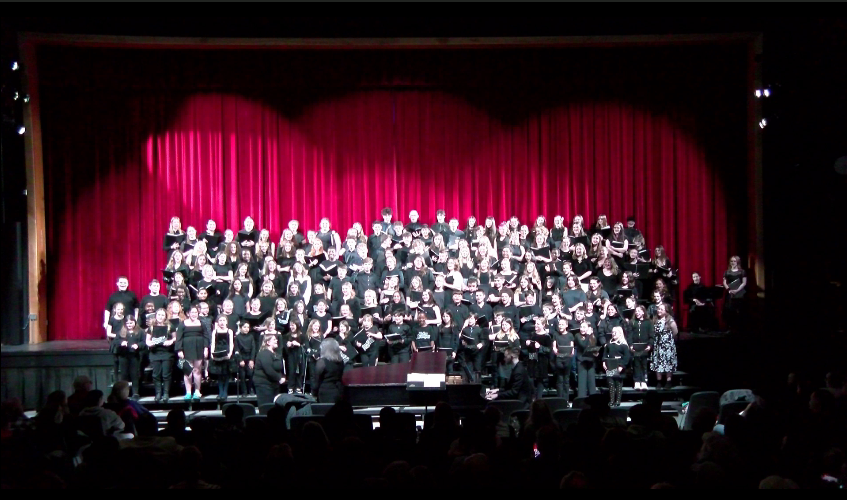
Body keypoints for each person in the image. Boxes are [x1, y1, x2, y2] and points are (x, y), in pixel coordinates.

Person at [176, 306, 210, 400]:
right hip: (186, 349)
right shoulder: (182, 324)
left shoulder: (202, 323)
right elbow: (178, 338)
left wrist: (206, 348)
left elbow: (206, 337)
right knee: (188, 372)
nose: (194, 314)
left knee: (197, 371)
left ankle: (197, 391)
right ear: (188, 313)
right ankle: (188, 392)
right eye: (192, 312)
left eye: (196, 312)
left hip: (199, 348)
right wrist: (179, 350)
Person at [146, 308, 176, 402]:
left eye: (162, 315)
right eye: (159, 315)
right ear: (156, 316)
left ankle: (166, 393)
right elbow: (147, 340)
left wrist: (171, 341)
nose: (160, 317)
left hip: (167, 353)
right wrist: (149, 343)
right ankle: (158, 393)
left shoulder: (170, 326)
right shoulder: (151, 327)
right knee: (156, 374)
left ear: (165, 316)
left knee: (166, 374)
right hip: (155, 353)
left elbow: (175, 338)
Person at [113, 315, 144, 399]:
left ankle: (135, 393)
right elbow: (115, 341)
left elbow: (144, 342)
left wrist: (138, 345)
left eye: (131, 323)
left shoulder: (140, 331)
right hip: (123, 356)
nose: (129, 325)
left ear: (135, 322)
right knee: (124, 375)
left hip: (134, 356)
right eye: (127, 323)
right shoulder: (121, 331)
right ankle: (124, 393)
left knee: (134, 375)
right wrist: (121, 343)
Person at [650, 303, 678, 389]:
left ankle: (668, 381)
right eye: (658, 309)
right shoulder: (655, 319)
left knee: (668, 363)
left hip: (668, 346)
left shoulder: (670, 320)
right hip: (658, 345)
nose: (659, 311)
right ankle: (659, 381)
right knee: (658, 363)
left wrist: (667, 341)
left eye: (661, 309)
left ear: (666, 311)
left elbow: (675, 332)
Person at [603, 326, 632, 407]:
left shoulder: (623, 345)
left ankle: (618, 401)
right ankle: (611, 400)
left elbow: (627, 357)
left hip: (619, 367)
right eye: (613, 332)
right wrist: (604, 362)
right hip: (610, 366)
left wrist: (621, 366)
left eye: (616, 332)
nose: (613, 334)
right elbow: (604, 355)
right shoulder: (609, 344)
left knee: (618, 384)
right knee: (611, 384)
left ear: (620, 333)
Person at [254, 334, 285, 407]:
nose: (276, 341)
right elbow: (268, 369)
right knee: (266, 407)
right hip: (264, 385)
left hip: (273, 385)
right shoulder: (264, 353)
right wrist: (279, 378)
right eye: (274, 339)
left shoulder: (274, 354)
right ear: (268, 342)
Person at [627, 305, 654, 390]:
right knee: (636, 364)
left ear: (643, 312)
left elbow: (651, 335)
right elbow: (629, 335)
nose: (637, 313)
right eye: (636, 311)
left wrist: (650, 345)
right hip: (635, 347)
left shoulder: (648, 322)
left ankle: (644, 381)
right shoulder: (632, 322)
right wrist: (630, 345)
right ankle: (637, 381)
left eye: (639, 311)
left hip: (645, 347)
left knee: (644, 364)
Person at [209, 315, 235, 402]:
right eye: (220, 320)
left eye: (224, 320)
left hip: (226, 352)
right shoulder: (215, 331)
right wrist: (212, 353)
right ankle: (220, 392)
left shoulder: (229, 331)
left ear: (227, 322)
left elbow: (231, 343)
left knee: (226, 374)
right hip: (218, 352)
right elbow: (213, 343)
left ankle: (225, 392)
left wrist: (230, 354)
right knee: (219, 374)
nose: (222, 322)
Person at [312, 337, 345, 404]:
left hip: (325, 392)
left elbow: (316, 380)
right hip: (339, 390)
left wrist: (314, 393)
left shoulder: (322, 362)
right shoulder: (341, 361)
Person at [574, 323, 600, 398]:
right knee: (582, 383)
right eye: (581, 327)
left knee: (592, 383)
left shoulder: (592, 337)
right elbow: (583, 346)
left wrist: (596, 352)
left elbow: (592, 347)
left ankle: (593, 401)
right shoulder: (577, 336)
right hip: (581, 361)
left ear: (588, 328)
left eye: (584, 327)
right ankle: (581, 401)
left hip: (590, 361)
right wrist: (588, 335)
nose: (582, 329)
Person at [552, 318, 575, 402]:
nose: (560, 326)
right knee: (560, 380)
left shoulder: (570, 335)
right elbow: (554, 347)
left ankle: (566, 400)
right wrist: (555, 351)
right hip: (559, 358)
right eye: (559, 324)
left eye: (562, 324)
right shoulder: (555, 334)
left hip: (567, 359)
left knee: (566, 380)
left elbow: (572, 347)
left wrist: (571, 352)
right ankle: (559, 400)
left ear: (566, 325)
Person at [722, 255, 747, 331]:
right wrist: (729, 289)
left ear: (738, 262)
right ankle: (730, 327)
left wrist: (737, 290)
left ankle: (739, 328)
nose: (733, 263)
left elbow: (744, 283)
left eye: (734, 261)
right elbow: (724, 282)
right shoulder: (727, 272)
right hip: (730, 293)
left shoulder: (742, 271)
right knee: (729, 310)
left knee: (738, 310)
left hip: (739, 294)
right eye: (731, 261)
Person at [235, 321, 256, 396]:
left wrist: (252, 360)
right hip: (241, 358)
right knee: (242, 376)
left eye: (248, 327)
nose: (246, 329)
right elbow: (236, 349)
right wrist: (240, 360)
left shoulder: (251, 336)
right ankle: (244, 391)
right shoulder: (237, 337)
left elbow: (253, 348)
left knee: (251, 374)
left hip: (249, 357)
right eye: (244, 327)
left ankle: (251, 389)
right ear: (240, 328)